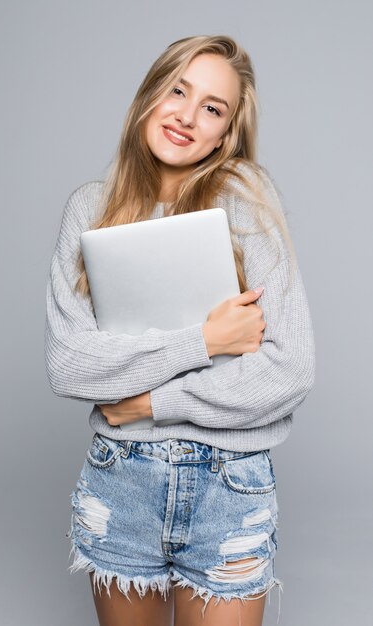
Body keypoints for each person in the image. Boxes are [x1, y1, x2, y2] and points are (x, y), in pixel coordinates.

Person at [45, 34, 315, 626]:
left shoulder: (247, 201)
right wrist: (206, 342)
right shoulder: (89, 209)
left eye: (213, 109)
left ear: (227, 133)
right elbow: (70, 365)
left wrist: (148, 402)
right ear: (150, 95)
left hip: (229, 486)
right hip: (121, 481)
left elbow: (288, 370)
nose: (188, 117)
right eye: (178, 90)